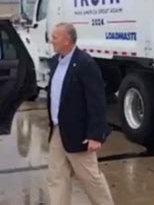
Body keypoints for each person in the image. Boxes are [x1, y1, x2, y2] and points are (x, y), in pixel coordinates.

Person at [47, 22, 113, 205]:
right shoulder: (55, 62)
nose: (51, 41)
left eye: (55, 37)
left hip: (79, 134)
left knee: (91, 179)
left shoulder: (85, 63)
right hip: (57, 131)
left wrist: (95, 135)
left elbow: (97, 101)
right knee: (56, 177)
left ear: (67, 40)